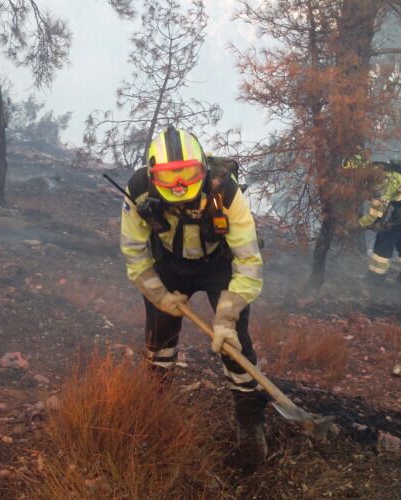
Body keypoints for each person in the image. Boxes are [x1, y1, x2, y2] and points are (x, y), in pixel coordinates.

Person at [119, 125, 269, 466]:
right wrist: (159, 295)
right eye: (169, 177)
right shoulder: (139, 190)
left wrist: (227, 316)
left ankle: (249, 419)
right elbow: (133, 250)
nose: (179, 185)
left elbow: (248, 262)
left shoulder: (227, 193)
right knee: (159, 340)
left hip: (220, 265)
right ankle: (154, 406)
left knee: (234, 344)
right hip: (169, 264)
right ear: (153, 174)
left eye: (187, 174)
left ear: (202, 167)